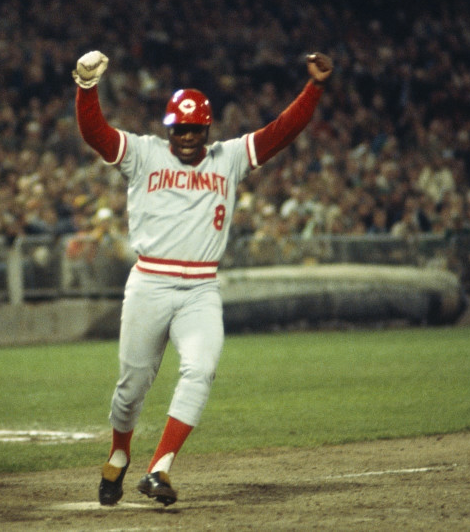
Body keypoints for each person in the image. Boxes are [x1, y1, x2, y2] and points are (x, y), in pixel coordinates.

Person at [72, 49, 333, 506]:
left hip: (201, 289)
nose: (188, 136)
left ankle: (160, 468)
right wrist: (86, 89)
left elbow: (282, 131)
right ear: (168, 127)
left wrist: (313, 88)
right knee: (131, 387)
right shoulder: (144, 153)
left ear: (207, 128)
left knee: (201, 369)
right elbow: (96, 135)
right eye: (180, 128)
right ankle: (118, 451)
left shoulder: (228, 158)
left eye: (195, 128)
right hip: (150, 283)